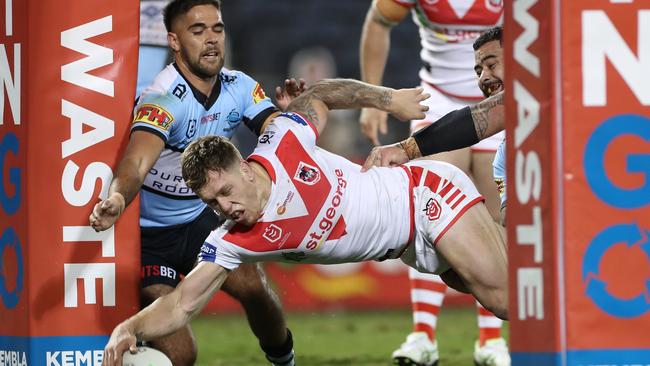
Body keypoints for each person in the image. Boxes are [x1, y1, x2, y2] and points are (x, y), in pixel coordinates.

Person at [100, 78, 508, 366]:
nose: (224, 208)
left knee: (505, 300)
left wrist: (388, 100)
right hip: (408, 246)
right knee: (516, 285)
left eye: (224, 193)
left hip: (425, 196)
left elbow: (320, 94)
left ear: (243, 168)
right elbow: (180, 304)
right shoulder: (231, 241)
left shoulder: (283, 140)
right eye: (211, 203)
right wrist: (128, 328)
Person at [88, 1, 303, 365]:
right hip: (149, 238)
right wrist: (118, 198)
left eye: (216, 29)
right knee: (183, 355)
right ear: (174, 41)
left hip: (201, 220)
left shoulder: (240, 87)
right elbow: (137, 163)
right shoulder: (162, 98)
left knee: (256, 289)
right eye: (197, 31)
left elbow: (277, 136)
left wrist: (291, 119)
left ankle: (285, 361)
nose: (211, 40)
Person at [358, 1, 507, 365]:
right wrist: (374, 99)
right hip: (439, 103)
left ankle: (491, 340)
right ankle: (422, 335)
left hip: (503, 99)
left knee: (499, 223)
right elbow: (377, 23)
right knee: (429, 215)